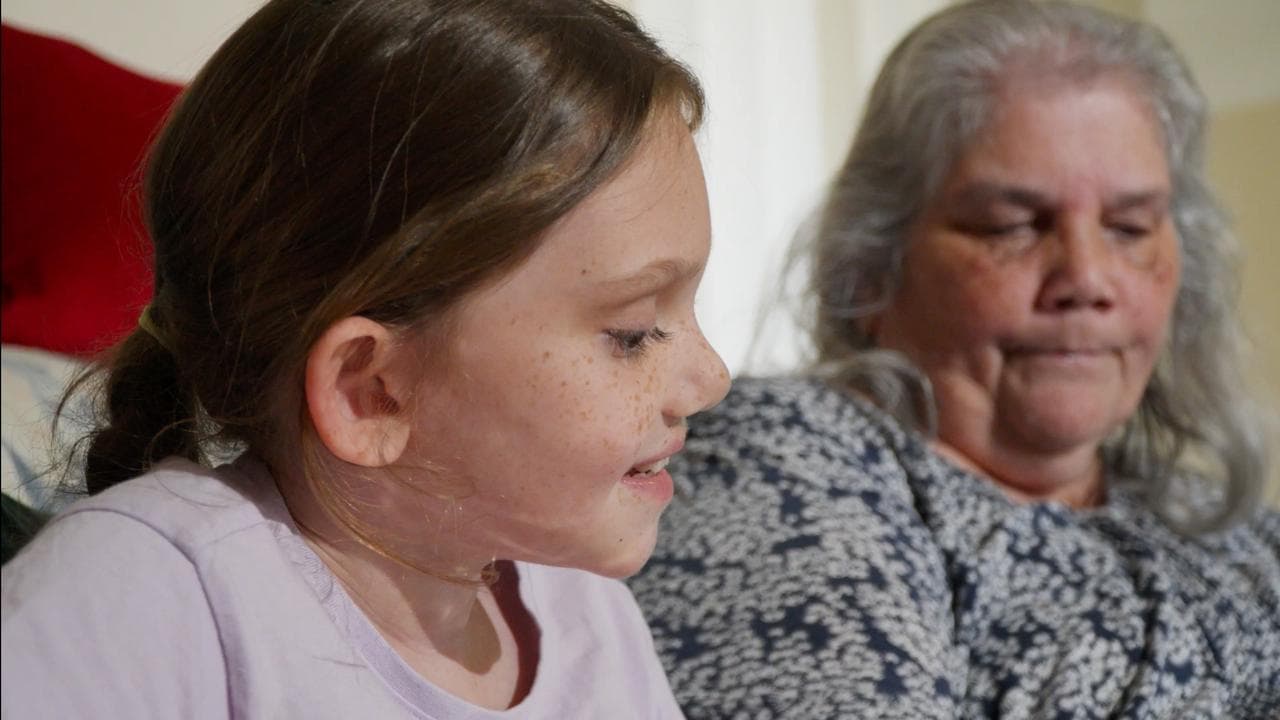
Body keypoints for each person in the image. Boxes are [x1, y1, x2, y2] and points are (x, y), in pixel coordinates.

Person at [1, 1, 731, 717]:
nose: (711, 379)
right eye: (633, 333)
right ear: (373, 391)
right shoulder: (141, 598)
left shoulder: (584, 614)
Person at [629, 1, 1280, 717]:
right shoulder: (784, 465)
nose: (1088, 278)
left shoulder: (1221, 523)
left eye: (1130, 228)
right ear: (872, 269)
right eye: (1011, 226)